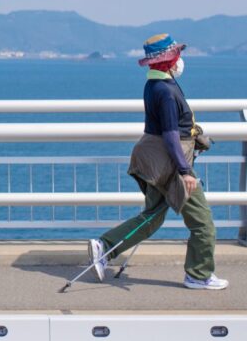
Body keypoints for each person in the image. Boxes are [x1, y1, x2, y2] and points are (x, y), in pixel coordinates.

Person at [87, 34, 227, 290]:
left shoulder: (155, 84)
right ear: (169, 60)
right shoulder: (165, 90)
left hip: (154, 161)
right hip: (171, 165)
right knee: (203, 222)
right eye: (177, 55)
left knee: (152, 217)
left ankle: (105, 247)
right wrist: (185, 171)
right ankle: (198, 274)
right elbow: (171, 134)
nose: (180, 60)